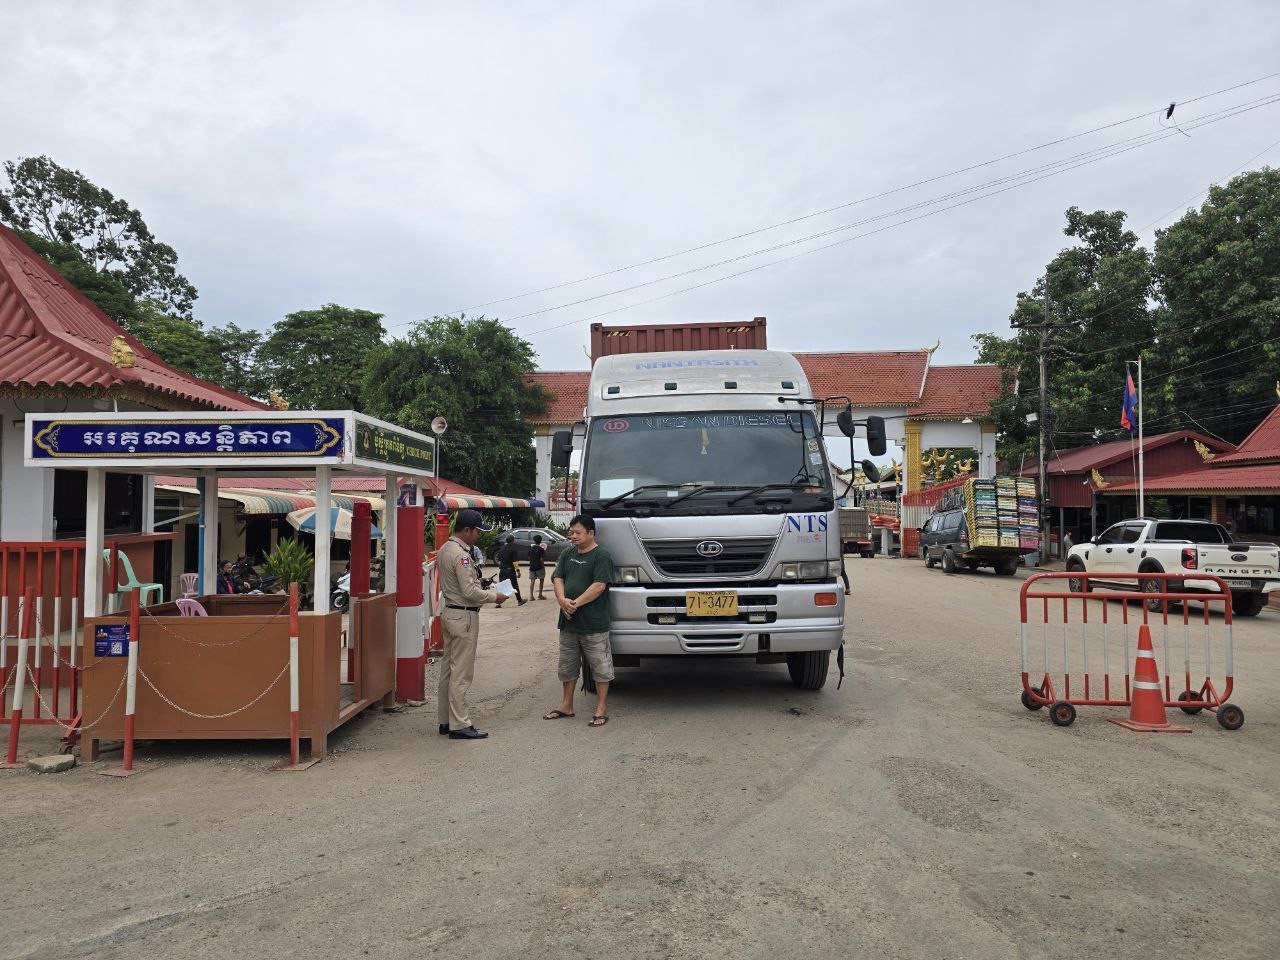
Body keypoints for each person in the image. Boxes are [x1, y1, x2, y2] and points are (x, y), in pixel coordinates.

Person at [437, 509, 507, 740]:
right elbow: (468, 592)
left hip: (450, 612)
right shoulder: (462, 555)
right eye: (477, 531)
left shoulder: (446, 549)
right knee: (461, 673)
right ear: (466, 530)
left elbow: (461, 584)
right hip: (464, 616)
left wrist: (479, 582)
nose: (478, 535)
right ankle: (459, 724)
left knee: (448, 671)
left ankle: (446, 720)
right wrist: (494, 597)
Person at [543, 514, 615, 727]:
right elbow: (558, 577)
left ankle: (601, 708)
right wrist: (562, 600)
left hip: (593, 624)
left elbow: (599, 586)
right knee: (567, 665)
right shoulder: (568, 553)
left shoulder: (601, 555)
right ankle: (566, 705)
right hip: (568, 623)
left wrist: (574, 604)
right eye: (571, 532)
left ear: (591, 533)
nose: (573, 536)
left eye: (577, 532)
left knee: (600, 667)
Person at [495, 535, 526, 605]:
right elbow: (515, 562)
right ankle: (519, 601)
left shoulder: (502, 548)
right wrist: (518, 571)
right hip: (510, 570)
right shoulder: (513, 549)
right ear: (513, 541)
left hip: (502, 570)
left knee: (501, 586)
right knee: (515, 585)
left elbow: (499, 559)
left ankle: (498, 603)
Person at [527, 534, 547, 600]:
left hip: (532, 567)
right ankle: (540, 595)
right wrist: (543, 566)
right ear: (540, 541)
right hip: (539, 567)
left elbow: (529, 558)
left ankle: (531, 596)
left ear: (534, 541)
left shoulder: (530, 548)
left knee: (532, 581)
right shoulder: (541, 549)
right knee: (541, 580)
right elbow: (541, 559)